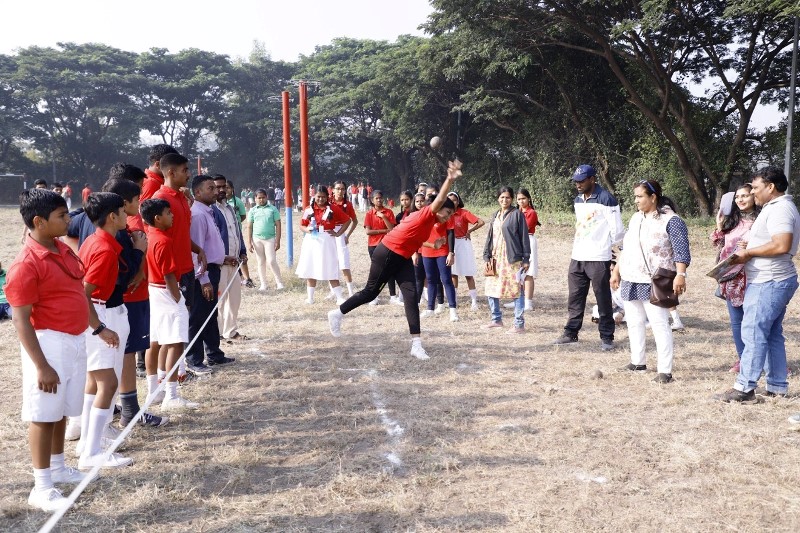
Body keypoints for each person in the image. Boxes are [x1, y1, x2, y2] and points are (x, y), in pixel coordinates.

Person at [328, 160, 463, 360]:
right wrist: (449, 179)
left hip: (403, 257)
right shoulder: (428, 212)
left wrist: (432, 245)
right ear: (438, 207)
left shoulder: (429, 221)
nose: (448, 217)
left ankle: (416, 345)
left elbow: (412, 237)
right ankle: (337, 314)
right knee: (370, 292)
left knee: (411, 296)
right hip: (388, 253)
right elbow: (440, 198)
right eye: (448, 212)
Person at [6, 189, 90, 511]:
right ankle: (41, 486)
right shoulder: (25, 264)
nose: (69, 220)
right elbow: (21, 320)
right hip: (48, 344)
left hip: (74, 340)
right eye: (62, 216)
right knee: (43, 415)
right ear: (39, 222)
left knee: (61, 411)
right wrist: (41, 366)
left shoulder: (61, 249)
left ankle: (58, 467)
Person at [716, 167, 800, 403]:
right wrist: (749, 242)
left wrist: (749, 252)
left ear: (771, 187)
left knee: (752, 331)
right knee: (771, 333)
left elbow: (782, 244)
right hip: (771, 280)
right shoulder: (775, 208)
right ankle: (777, 386)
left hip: (770, 280)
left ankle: (745, 388)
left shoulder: (780, 209)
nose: (752, 193)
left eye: (755, 188)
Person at [610, 180, 690, 384]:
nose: (636, 200)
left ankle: (665, 370)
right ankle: (638, 362)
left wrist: (681, 275)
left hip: (655, 280)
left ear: (653, 197)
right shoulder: (636, 218)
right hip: (631, 276)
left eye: (640, 196)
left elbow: (681, 252)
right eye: (635, 196)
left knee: (659, 324)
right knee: (634, 321)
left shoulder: (671, 221)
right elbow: (627, 248)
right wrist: (617, 271)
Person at [76, 192, 133, 469]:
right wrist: (99, 328)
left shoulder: (95, 241)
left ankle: (88, 442)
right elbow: (83, 293)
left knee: (94, 382)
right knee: (108, 383)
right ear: (112, 216)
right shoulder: (103, 249)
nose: (127, 216)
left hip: (98, 312)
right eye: (123, 211)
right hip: (98, 313)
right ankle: (92, 452)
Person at [553, 164, 625, 351]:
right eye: (576, 181)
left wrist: (605, 247)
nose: (578, 184)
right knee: (575, 297)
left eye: (582, 180)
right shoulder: (578, 199)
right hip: (577, 255)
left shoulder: (607, 199)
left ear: (592, 179)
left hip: (599, 256)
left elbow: (617, 232)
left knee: (602, 298)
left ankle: (607, 337)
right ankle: (570, 333)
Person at [140, 198, 199, 411]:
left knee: (155, 341)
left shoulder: (150, 236)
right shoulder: (163, 240)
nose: (172, 216)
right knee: (175, 342)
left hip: (154, 291)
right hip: (166, 292)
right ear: (158, 218)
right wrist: (177, 298)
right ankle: (171, 395)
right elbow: (168, 274)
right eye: (168, 213)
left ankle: (153, 391)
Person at [709, 184, 759, 373]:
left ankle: (771, 361)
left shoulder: (762, 219)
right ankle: (743, 359)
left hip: (754, 275)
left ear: (754, 197)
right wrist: (719, 226)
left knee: (759, 321)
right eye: (737, 197)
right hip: (731, 277)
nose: (740, 200)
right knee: (737, 321)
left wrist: (752, 244)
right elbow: (717, 244)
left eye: (745, 196)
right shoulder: (732, 220)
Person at [186, 175, 233, 375]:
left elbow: (210, 245)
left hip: (214, 269)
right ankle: (194, 360)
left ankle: (214, 353)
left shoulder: (208, 212)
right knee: (198, 317)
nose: (216, 191)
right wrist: (203, 279)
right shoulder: (197, 215)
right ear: (197, 193)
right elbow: (195, 251)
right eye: (210, 188)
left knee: (210, 314)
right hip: (203, 275)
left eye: (215, 188)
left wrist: (223, 258)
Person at [483, 186, 530, 333]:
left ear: (512, 199)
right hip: (496, 257)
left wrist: (526, 258)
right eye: (502, 197)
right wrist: (486, 254)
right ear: (498, 198)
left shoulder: (517, 214)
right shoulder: (495, 215)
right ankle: (496, 319)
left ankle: (519, 323)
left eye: (508, 197)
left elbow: (524, 237)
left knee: (516, 289)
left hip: (512, 258)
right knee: (491, 288)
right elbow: (490, 236)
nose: (505, 200)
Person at [295, 187, 351, 304]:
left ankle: (339, 297)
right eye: (318, 196)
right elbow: (302, 225)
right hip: (312, 240)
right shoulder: (309, 209)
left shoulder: (333, 208)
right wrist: (307, 230)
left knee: (331, 266)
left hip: (327, 239)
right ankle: (310, 297)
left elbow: (347, 221)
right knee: (311, 267)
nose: (320, 199)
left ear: (327, 197)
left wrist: (338, 233)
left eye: (323, 197)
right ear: (314, 196)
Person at [213, 175, 248, 341]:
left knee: (234, 298)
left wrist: (242, 251)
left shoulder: (230, 209)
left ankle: (231, 331)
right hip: (220, 263)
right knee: (218, 299)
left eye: (224, 187)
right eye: (217, 187)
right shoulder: (211, 210)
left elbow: (237, 232)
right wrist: (222, 257)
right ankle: (217, 333)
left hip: (235, 262)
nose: (221, 190)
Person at [420, 193, 459, 322]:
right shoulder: (425, 215)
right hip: (427, 250)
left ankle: (453, 310)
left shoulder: (447, 215)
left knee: (446, 279)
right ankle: (430, 308)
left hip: (442, 251)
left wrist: (451, 252)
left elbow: (450, 234)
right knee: (431, 279)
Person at [448, 192, 484, 310]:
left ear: (458, 201)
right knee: (454, 273)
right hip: (451, 244)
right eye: (449, 200)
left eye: (454, 200)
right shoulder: (446, 213)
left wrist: (470, 231)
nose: (452, 202)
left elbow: (481, 222)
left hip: (463, 243)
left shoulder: (464, 213)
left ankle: (474, 301)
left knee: (468, 273)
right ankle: (454, 299)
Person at [362, 189, 397, 304]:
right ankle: (373, 296)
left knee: (389, 270)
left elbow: (392, 229)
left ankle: (393, 296)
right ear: (372, 200)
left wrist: (383, 217)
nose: (379, 200)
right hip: (373, 245)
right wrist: (384, 231)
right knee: (376, 272)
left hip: (387, 244)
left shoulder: (388, 212)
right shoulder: (369, 214)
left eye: (380, 198)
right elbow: (368, 231)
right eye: (376, 198)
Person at [247, 188, 283, 291]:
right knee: (261, 261)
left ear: (267, 197)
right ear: (255, 199)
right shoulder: (253, 210)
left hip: (270, 239)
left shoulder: (272, 209)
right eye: (259, 198)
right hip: (257, 239)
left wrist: (278, 240)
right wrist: (249, 242)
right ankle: (263, 284)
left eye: (263, 197)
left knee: (271, 260)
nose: (261, 200)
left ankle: (279, 282)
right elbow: (249, 226)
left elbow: (278, 225)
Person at [331, 181, 359, 297]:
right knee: (331, 262)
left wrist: (347, 235)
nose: (340, 191)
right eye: (337, 188)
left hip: (341, 232)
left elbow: (354, 221)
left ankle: (350, 291)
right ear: (333, 190)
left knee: (344, 263)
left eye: (342, 189)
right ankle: (333, 291)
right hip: (329, 232)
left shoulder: (347, 204)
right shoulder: (328, 202)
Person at [226, 180, 254, 288]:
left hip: (237, 234)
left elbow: (242, 216)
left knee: (242, 256)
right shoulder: (217, 203)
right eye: (224, 187)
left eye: (228, 187)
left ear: (232, 189)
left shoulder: (238, 202)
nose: (226, 190)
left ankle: (247, 279)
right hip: (225, 235)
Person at [516, 189, 539, 311]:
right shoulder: (516, 211)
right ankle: (519, 299)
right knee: (518, 272)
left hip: (528, 240)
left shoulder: (531, 213)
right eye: (519, 199)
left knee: (528, 272)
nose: (521, 201)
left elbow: (524, 228)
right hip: (517, 242)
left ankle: (528, 302)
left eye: (523, 198)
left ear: (528, 198)